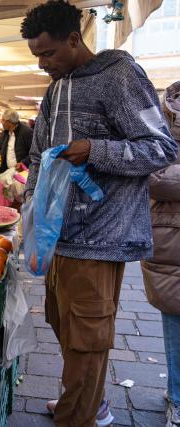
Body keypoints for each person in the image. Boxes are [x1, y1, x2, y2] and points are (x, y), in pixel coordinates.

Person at [20, 2, 178, 426]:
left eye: (48, 53)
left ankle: (80, 415)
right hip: (57, 235)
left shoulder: (120, 76)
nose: (42, 64)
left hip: (100, 237)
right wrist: (31, 206)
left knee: (87, 335)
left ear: (75, 39)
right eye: (36, 55)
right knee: (63, 323)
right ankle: (88, 399)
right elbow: (37, 156)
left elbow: (161, 147)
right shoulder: (55, 90)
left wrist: (96, 149)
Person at [140, 81, 180, 427]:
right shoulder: (161, 115)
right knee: (175, 318)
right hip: (171, 236)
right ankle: (178, 398)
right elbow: (152, 174)